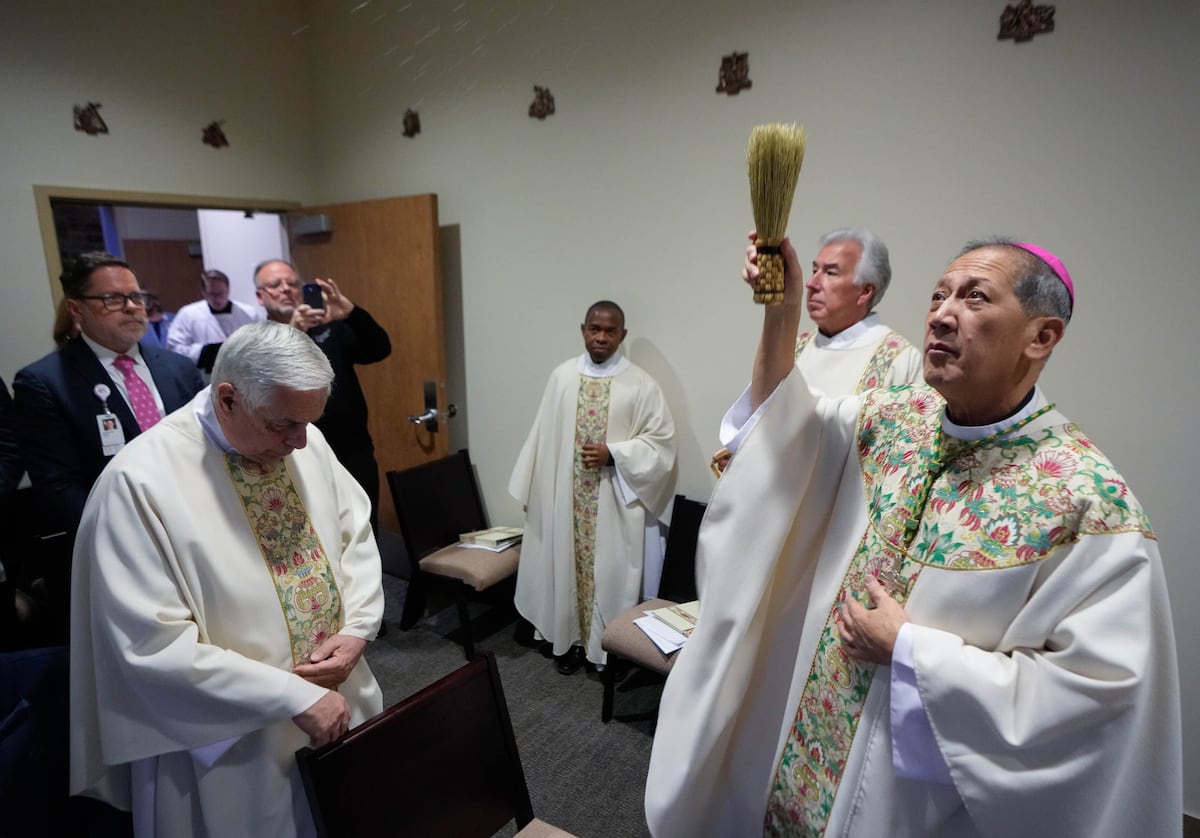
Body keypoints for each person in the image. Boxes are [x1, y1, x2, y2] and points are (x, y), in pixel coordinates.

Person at [645, 238, 1181, 837]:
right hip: (804, 733)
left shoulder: (1087, 502)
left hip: (919, 798)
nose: (942, 313)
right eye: (939, 294)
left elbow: (1096, 707)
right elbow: (782, 425)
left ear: (1041, 337)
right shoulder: (892, 418)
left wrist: (912, 652)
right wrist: (782, 311)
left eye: (975, 297)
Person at [70, 320, 385, 837]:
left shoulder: (303, 434)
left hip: (339, 691)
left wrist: (357, 629)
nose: (300, 443)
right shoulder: (139, 482)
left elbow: (355, 534)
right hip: (231, 737)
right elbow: (148, 645)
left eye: (309, 422)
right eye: (283, 425)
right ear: (229, 398)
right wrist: (290, 697)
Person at [12, 252, 204, 623]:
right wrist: (136, 534)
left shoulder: (177, 369)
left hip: (195, 536)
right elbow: (57, 486)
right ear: (77, 309)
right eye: (113, 299)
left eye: (137, 297)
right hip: (117, 549)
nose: (132, 308)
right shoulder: (45, 383)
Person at [509, 301, 677, 675]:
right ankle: (566, 641)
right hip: (565, 503)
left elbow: (661, 444)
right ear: (583, 329)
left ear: (622, 335)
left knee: (610, 576)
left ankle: (605, 649)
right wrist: (533, 491)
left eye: (610, 331)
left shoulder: (641, 385)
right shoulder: (562, 378)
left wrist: (615, 453)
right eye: (594, 329)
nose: (601, 337)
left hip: (614, 505)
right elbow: (541, 438)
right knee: (563, 569)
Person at [711, 227, 921, 474]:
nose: (812, 283)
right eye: (814, 271)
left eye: (830, 273)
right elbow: (765, 423)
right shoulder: (795, 344)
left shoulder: (900, 360)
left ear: (866, 291)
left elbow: (897, 463)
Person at [254, 259, 392, 532]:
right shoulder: (256, 340)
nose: (286, 289)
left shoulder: (330, 325)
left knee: (363, 529)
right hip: (293, 455)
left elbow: (379, 349)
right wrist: (293, 334)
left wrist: (351, 313)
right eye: (275, 285)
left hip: (353, 452)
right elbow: (265, 384)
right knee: (312, 533)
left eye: (292, 283)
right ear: (260, 296)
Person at [167, 268, 263, 372]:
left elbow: (261, 342)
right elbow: (174, 348)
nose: (217, 299)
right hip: (205, 376)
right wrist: (205, 352)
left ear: (228, 290)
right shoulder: (188, 314)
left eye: (221, 293)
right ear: (203, 291)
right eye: (212, 294)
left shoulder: (248, 313)